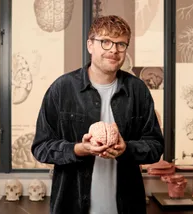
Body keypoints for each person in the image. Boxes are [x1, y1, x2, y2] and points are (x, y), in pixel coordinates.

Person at [31, 15, 164, 214]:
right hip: (72, 206)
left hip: (127, 206)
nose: (113, 50)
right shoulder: (62, 89)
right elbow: (41, 147)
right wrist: (79, 149)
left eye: (121, 44)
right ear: (90, 45)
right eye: (106, 42)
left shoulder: (138, 90)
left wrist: (126, 149)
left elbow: (155, 146)